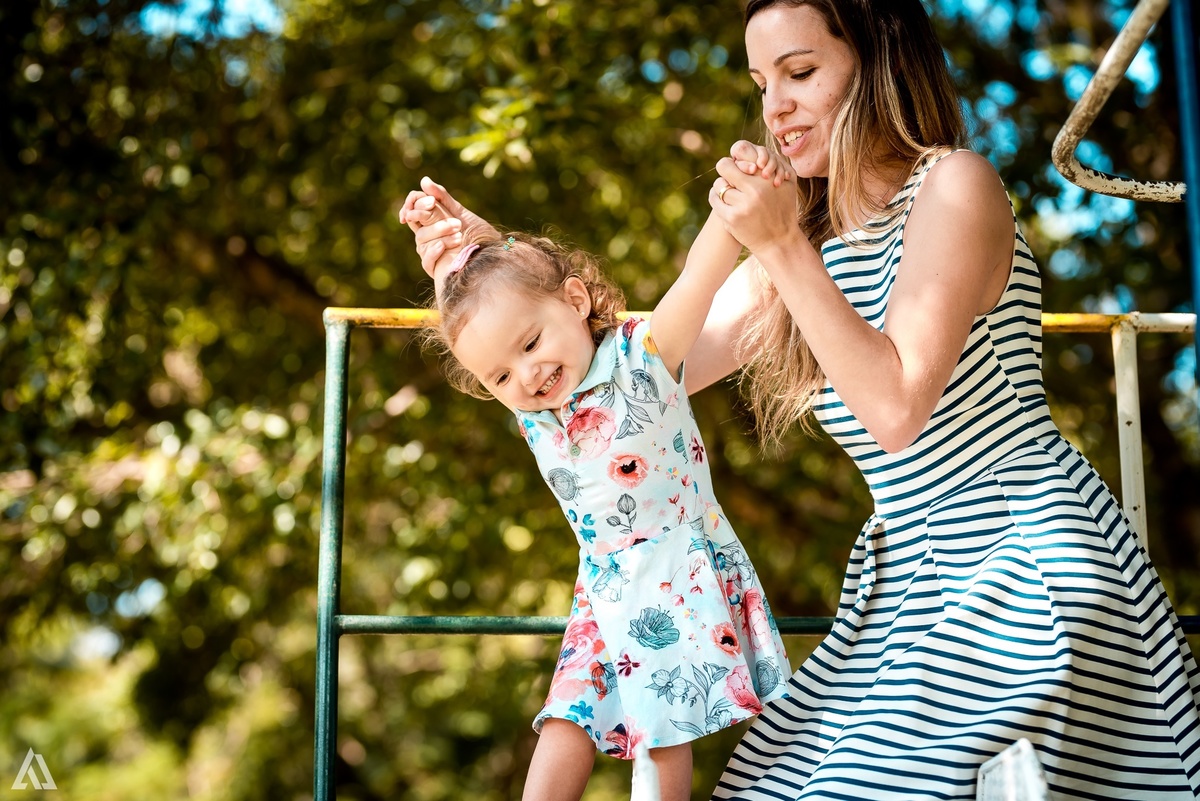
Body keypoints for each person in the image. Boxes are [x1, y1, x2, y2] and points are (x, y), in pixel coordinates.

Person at [403, 1, 1200, 798]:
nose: (774, 107)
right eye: (761, 83)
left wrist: (782, 245)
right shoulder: (805, 248)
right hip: (911, 588)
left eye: (801, 72)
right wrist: (495, 266)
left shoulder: (953, 186)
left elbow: (897, 409)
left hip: (1022, 568)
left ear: (878, 60)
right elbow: (626, 373)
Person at [403, 160, 794, 801]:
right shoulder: (536, 413)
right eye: (499, 377)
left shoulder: (646, 360)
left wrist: (738, 203)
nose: (525, 376)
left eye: (531, 346)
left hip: (673, 572)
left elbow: (700, 275)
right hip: (603, 587)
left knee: (664, 729)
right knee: (566, 717)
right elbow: (505, 299)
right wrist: (455, 254)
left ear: (578, 301)